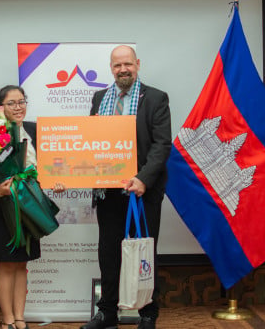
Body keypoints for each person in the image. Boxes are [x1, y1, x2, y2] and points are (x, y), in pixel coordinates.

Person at [81, 46, 171, 329]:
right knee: (108, 253)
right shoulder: (99, 98)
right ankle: (107, 312)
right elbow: (92, 142)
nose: (123, 69)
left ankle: (147, 312)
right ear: (111, 68)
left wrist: (143, 178)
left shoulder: (155, 98)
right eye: (118, 65)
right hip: (108, 192)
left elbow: (161, 144)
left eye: (128, 64)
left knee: (144, 251)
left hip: (141, 192)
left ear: (137, 64)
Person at [0, 85, 66, 329]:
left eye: (21, 101)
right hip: (0, 206)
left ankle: (20, 317)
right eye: (11, 103)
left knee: (21, 264)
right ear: (0, 108)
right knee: (6, 263)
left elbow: (48, 167)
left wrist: (56, 181)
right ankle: (7, 319)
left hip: (29, 208)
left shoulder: (35, 130)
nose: (18, 107)